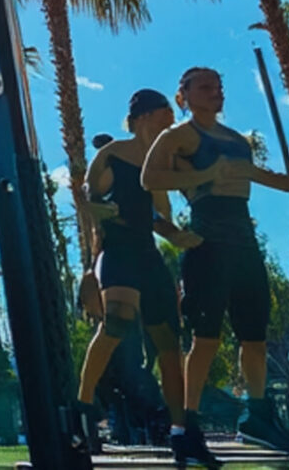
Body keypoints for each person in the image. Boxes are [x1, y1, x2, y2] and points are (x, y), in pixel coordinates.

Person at [141, 67, 289, 464]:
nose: (216, 92)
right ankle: (186, 427)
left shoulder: (237, 140)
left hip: (243, 240)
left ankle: (258, 416)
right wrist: (205, 173)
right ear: (184, 94)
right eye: (205, 87)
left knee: (254, 336)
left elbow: (248, 174)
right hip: (207, 241)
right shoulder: (178, 136)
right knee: (207, 338)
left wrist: (283, 182)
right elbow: (150, 178)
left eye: (219, 86)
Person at [73, 92, 207, 464]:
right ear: (146, 115)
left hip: (148, 255)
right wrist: (96, 210)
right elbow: (88, 198)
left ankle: (182, 431)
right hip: (116, 251)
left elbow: (159, 217)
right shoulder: (112, 154)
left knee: (168, 340)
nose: (173, 118)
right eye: (168, 111)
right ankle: (82, 408)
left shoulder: (160, 163)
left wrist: (179, 236)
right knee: (116, 320)